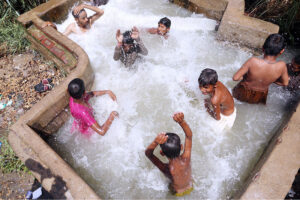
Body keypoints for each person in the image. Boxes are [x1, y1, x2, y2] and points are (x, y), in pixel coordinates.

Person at [145, 112, 193, 197]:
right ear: (181, 147)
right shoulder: (186, 158)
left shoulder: (166, 169)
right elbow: (189, 136)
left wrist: (155, 142)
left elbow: (148, 154)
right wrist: (181, 122)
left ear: (162, 153)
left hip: (178, 192)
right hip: (190, 186)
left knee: (170, 187)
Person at [232, 34, 289, 104]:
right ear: (281, 51)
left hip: (243, 91)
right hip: (260, 96)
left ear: (263, 48)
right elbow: (285, 83)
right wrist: (271, 80)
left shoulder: (253, 61)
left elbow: (235, 78)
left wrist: (246, 76)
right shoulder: (282, 66)